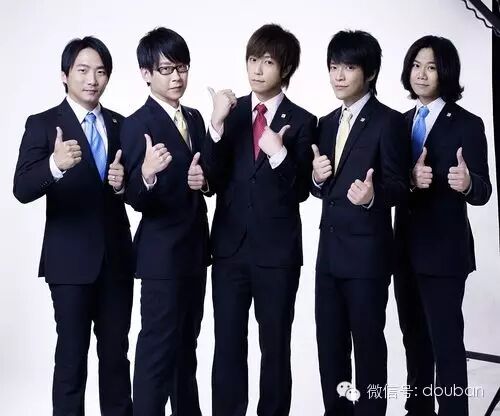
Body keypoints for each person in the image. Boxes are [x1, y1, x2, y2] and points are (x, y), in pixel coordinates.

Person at [13, 36, 134, 416]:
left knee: (116, 358)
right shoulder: (43, 124)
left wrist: (125, 183)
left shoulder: (121, 124)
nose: (92, 80)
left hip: (116, 261)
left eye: (100, 71)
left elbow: (132, 190)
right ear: (65, 75)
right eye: (82, 70)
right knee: (71, 357)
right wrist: (54, 165)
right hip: (69, 263)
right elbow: (21, 188)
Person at [204, 23, 316, 416]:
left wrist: (278, 154)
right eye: (253, 59)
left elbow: (301, 190)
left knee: (275, 348)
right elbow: (211, 180)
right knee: (227, 345)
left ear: (286, 69)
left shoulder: (303, 120)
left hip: (277, 254)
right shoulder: (231, 114)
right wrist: (215, 126)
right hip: (229, 250)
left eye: (267, 62)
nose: (256, 69)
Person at [311, 30, 409, 416]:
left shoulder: (389, 122)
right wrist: (316, 177)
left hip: (368, 259)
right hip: (328, 260)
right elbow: (321, 187)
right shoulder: (326, 122)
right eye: (333, 66)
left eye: (348, 67)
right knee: (330, 350)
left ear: (369, 73)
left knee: (368, 350)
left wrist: (372, 197)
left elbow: (400, 186)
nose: (338, 75)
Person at [394, 35, 492, 416]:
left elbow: (483, 190)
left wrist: (467, 184)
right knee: (413, 342)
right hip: (404, 251)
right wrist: (407, 180)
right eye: (416, 65)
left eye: (431, 67)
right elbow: (391, 183)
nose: (421, 74)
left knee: (446, 346)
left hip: (444, 254)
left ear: (445, 72)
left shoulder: (467, 124)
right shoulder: (400, 123)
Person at [120, 27, 209, 416]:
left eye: (182, 68)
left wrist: (205, 181)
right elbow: (133, 197)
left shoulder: (195, 118)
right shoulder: (135, 123)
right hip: (161, 256)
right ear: (146, 74)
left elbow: (206, 175)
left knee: (187, 348)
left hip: (195, 252)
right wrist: (147, 174)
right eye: (167, 69)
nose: (177, 77)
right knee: (157, 351)